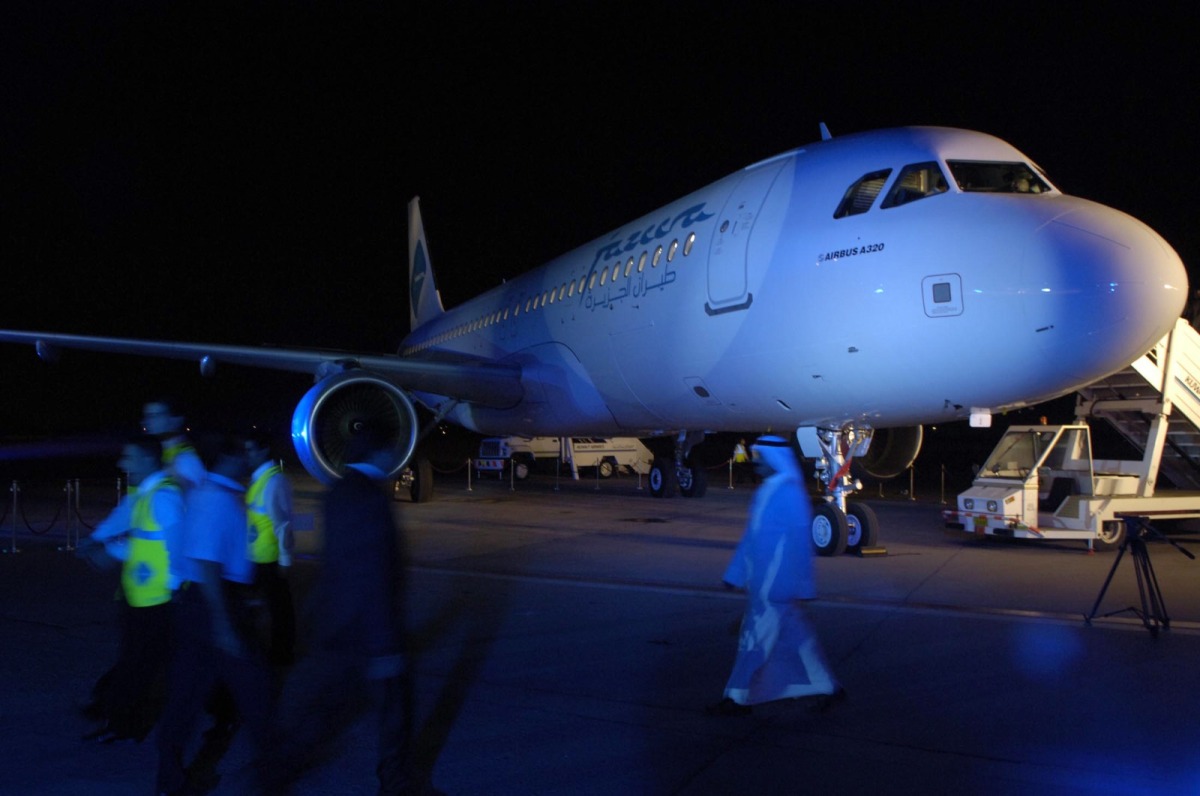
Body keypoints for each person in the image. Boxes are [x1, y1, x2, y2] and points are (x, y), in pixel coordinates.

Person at [262, 431, 438, 795]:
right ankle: (396, 783)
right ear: (378, 452)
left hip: (336, 624)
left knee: (325, 711)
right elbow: (371, 573)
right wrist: (385, 644)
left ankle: (275, 771)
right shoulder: (370, 499)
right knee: (393, 712)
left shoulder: (339, 491)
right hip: (368, 632)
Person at [155, 435, 272, 796]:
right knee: (257, 692)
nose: (249, 459)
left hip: (200, 603)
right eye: (245, 452)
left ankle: (171, 782)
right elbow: (207, 562)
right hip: (213, 605)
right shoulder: (217, 499)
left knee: (186, 696)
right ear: (228, 458)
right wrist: (224, 623)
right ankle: (271, 775)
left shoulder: (211, 494)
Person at [708, 435, 843, 715]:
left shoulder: (789, 493)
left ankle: (736, 698)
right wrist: (734, 575)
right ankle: (828, 688)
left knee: (753, 643)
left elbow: (800, 544)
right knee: (799, 642)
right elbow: (751, 539)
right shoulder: (769, 490)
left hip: (775, 588)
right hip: (768, 586)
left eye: (760, 458)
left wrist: (804, 587)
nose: (756, 464)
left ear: (774, 460)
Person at [78, 435, 185, 743]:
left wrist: (175, 588)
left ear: (149, 460)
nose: (122, 463)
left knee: (142, 665)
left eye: (129, 457)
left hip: (158, 601)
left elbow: (176, 547)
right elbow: (141, 542)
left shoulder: (163, 498)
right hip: (141, 598)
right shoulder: (147, 496)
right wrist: (106, 549)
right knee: (138, 663)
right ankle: (121, 721)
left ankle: (123, 724)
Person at [244, 432, 296, 669]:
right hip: (255, 557)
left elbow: (283, 524)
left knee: (279, 609)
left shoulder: (274, 481)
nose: (247, 455)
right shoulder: (259, 479)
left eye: (251, 450)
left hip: (269, 558)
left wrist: (285, 560)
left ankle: (282, 654)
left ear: (264, 451)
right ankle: (273, 651)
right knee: (266, 607)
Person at [142, 398, 205, 491]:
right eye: (147, 416)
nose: (148, 421)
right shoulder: (153, 454)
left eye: (155, 416)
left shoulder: (186, 459)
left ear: (176, 420)